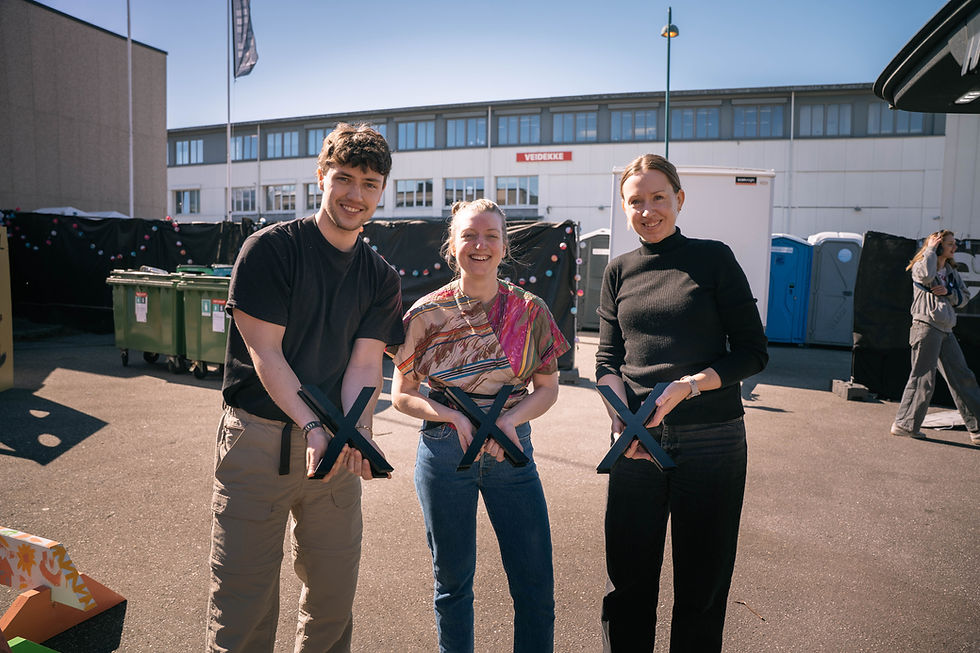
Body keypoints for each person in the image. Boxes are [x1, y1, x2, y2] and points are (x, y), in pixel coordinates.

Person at [207, 123, 404, 652]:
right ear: (321, 177)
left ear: (382, 191)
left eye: (369, 183)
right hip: (258, 441)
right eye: (344, 178)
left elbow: (365, 365)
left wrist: (356, 435)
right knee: (243, 605)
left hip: (334, 449)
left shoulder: (381, 275)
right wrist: (315, 425)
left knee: (333, 602)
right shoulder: (270, 250)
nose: (355, 195)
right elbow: (265, 352)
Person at [596, 154, 768, 651]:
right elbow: (607, 360)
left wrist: (690, 385)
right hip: (635, 443)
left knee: (702, 585)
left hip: (712, 440)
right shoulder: (618, 271)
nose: (647, 211)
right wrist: (619, 420)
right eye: (635, 201)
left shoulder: (714, 258)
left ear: (679, 200)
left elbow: (752, 353)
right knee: (628, 583)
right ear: (624, 206)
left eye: (658, 199)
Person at [389, 198, 570, 653]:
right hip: (445, 453)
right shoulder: (425, 315)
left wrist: (509, 419)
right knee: (452, 586)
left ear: (505, 245)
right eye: (469, 234)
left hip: (512, 452)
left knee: (534, 585)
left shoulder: (531, 312)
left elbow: (547, 388)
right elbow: (402, 394)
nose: (480, 244)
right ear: (452, 244)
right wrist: (447, 414)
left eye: (491, 235)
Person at [891, 230, 980, 444]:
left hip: (945, 329)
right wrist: (930, 249)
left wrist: (949, 294)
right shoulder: (923, 264)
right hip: (926, 326)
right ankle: (905, 424)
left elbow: (964, 298)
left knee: (962, 376)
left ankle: (977, 430)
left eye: (954, 244)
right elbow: (925, 277)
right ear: (938, 245)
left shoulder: (951, 271)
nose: (954, 248)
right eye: (950, 244)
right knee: (923, 378)